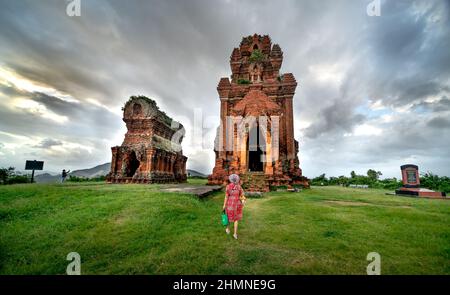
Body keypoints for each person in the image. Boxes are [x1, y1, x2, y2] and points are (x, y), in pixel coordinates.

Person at [222, 173, 246, 239]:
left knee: (228, 217)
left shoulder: (228, 186)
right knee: (236, 219)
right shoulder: (239, 187)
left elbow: (226, 197)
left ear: (230, 179)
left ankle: (227, 229)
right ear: (237, 179)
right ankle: (235, 234)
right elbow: (242, 195)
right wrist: (243, 201)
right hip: (237, 204)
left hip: (229, 204)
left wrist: (224, 205)